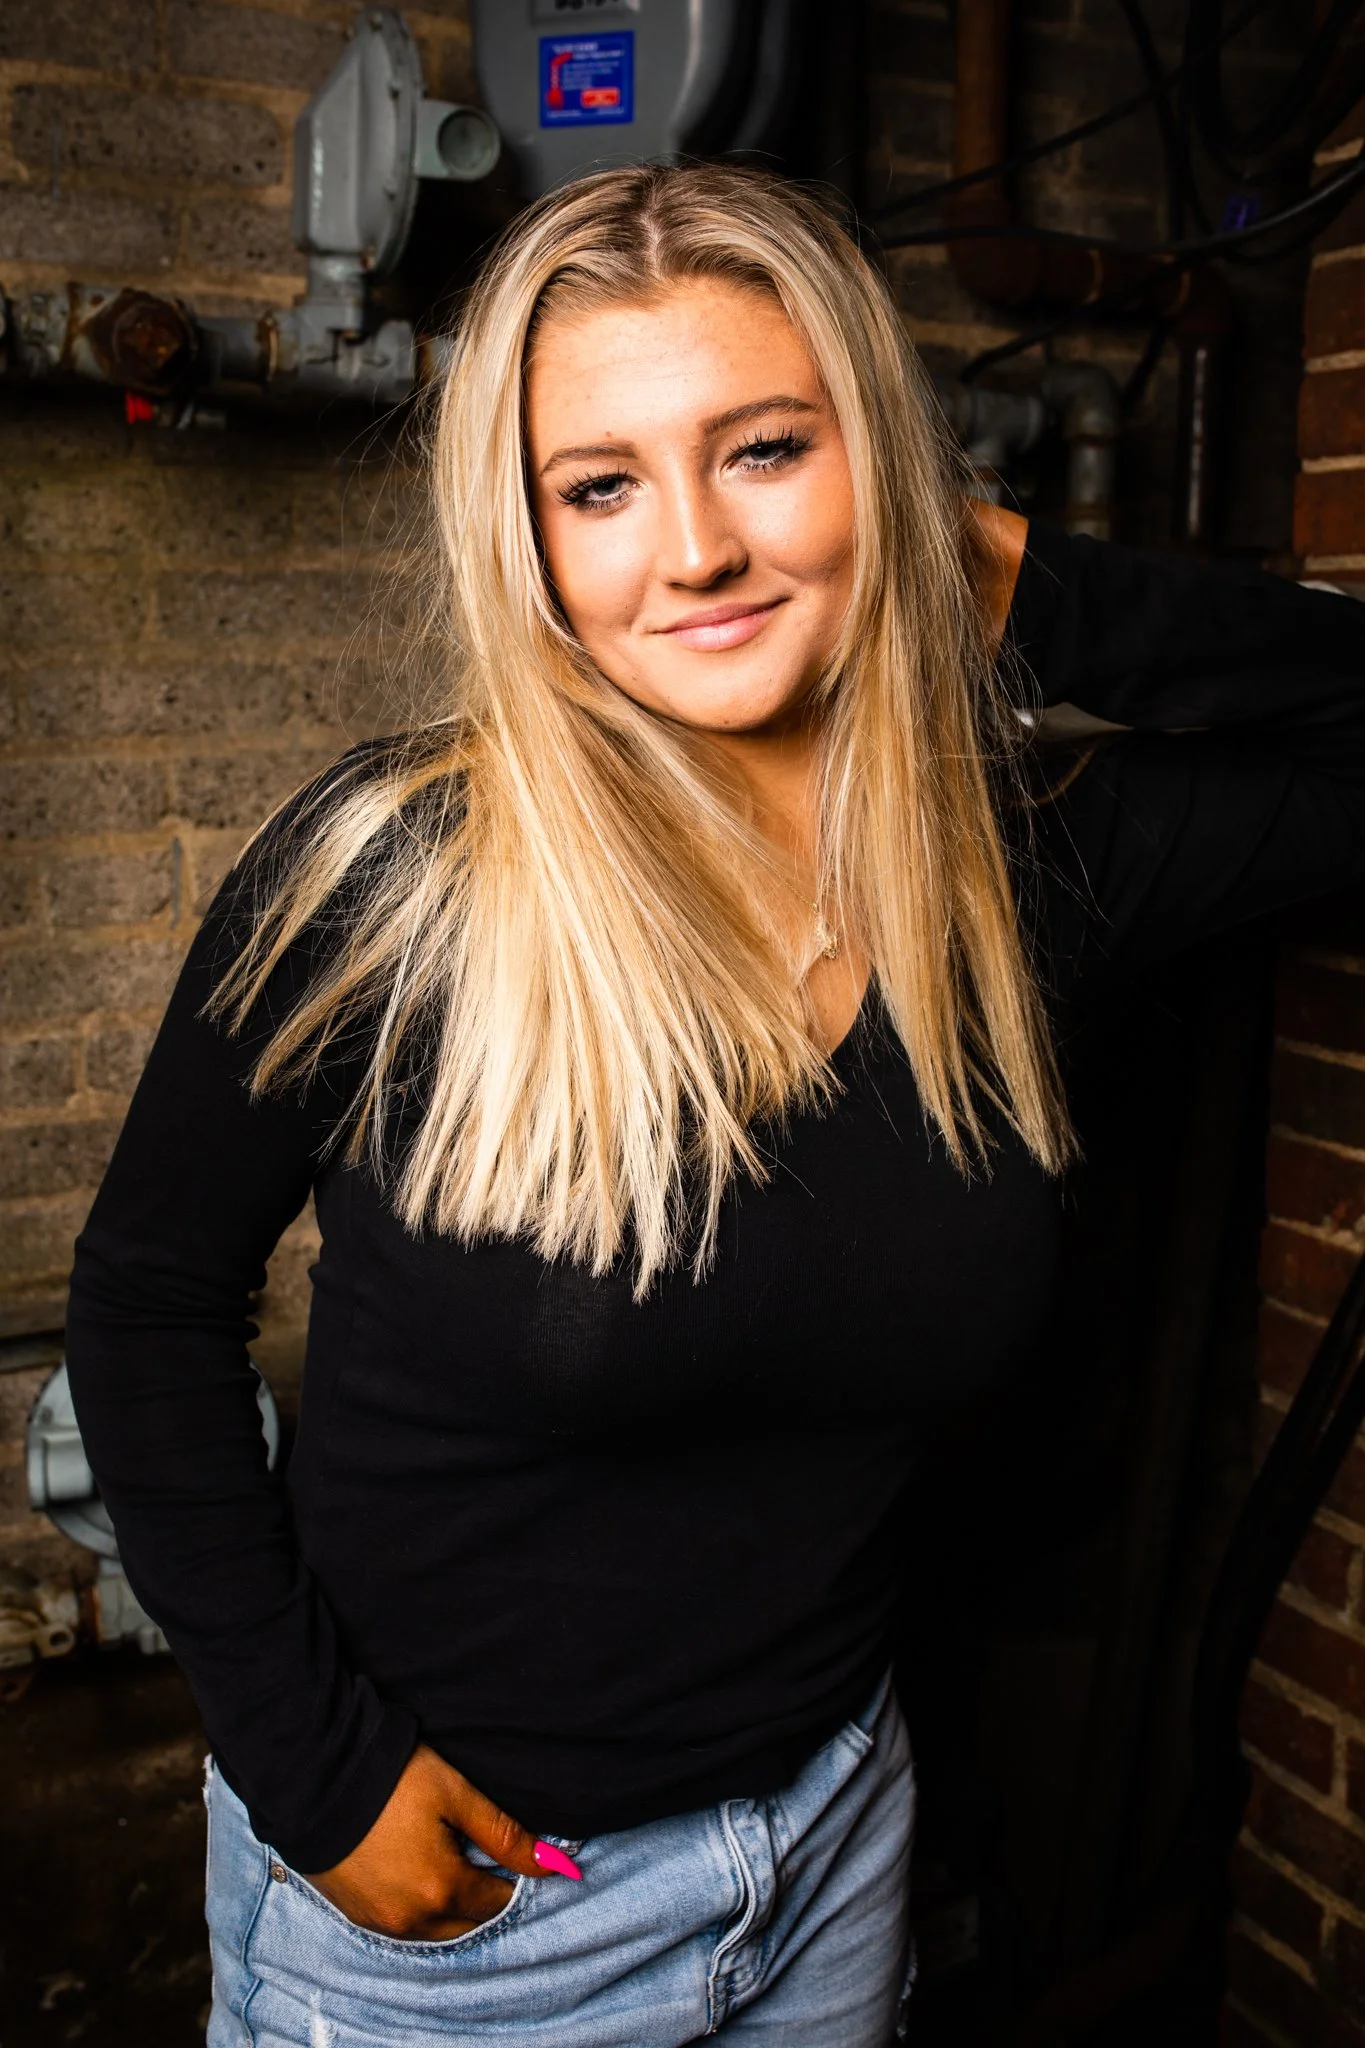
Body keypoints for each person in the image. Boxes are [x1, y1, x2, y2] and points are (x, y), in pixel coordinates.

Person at [64, 164, 1365, 2048]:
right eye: (599, 486)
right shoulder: (394, 879)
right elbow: (147, 1300)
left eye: (763, 450)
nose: (692, 550)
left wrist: (1013, 580)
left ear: (880, 462)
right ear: (525, 538)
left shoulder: (1002, 883)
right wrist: (309, 1768)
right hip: (487, 1923)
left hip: (836, 1845)